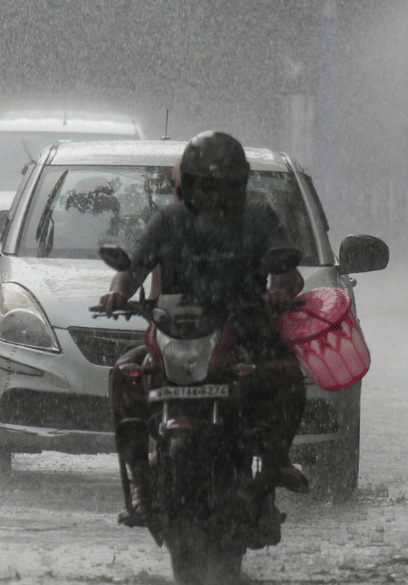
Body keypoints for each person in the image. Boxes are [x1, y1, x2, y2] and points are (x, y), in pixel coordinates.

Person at [97, 130, 309, 527]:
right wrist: (117, 293)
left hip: (244, 329)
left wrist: (279, 291)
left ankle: (276, 460)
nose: (213, 195)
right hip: (174, 332)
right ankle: (142, 486)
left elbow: (288, 274)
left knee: (287, 375)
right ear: (189, 186)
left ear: (239, 184)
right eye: (204, 185)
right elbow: (133, 268)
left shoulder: (260, 216)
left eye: (222, 185)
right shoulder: (168, 219)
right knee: (125, 376)